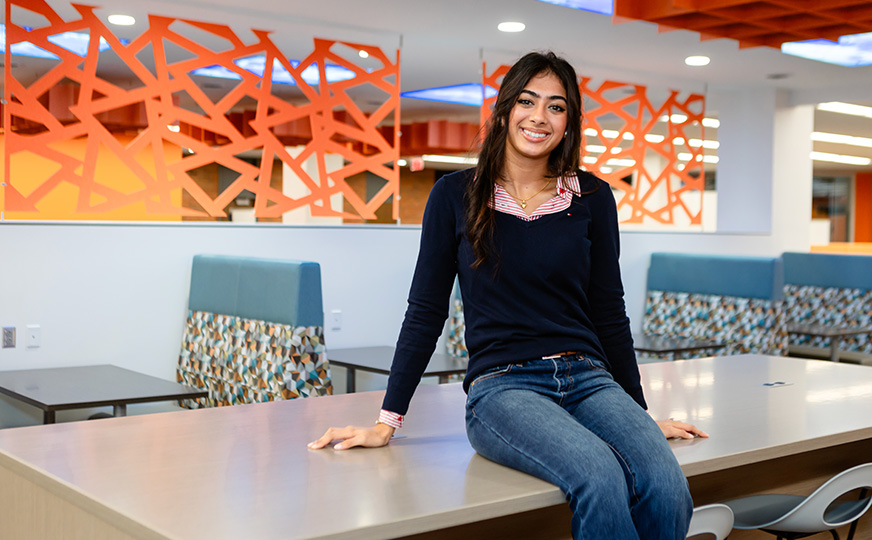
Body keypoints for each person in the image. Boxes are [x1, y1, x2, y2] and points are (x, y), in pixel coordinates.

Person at [309, 51, 708, 539]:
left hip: (588, 376)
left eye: (556, 107)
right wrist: (386, 421)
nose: (540, 117)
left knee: (665, 480)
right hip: (504, 387)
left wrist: (638, 419)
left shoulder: (592, 197)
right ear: (503, 111)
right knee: (600, 476)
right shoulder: (454, 195)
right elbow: (425, 311)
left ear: (569, 122)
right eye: (527, 101)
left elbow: (609, 311)